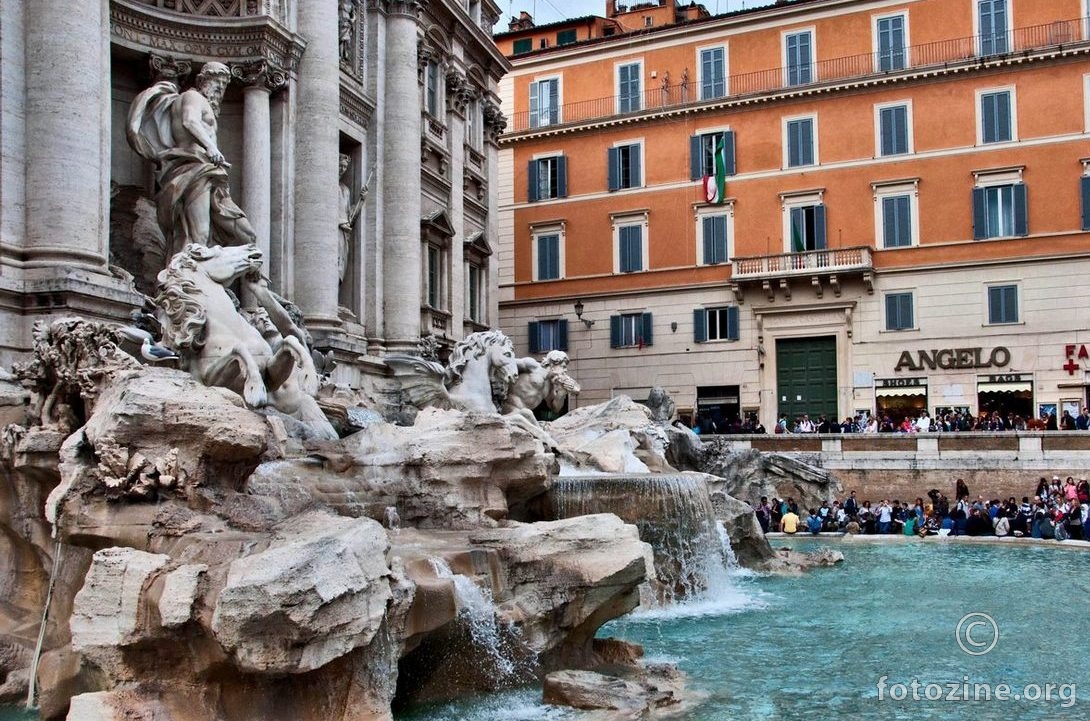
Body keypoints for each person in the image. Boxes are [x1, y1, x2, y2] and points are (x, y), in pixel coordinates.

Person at [127, 62, 256, 254]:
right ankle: (185, 278)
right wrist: (211, 147)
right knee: (198, 236)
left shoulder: (206, 104)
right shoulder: (192, 96)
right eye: (216, 82)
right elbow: (189, 120)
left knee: (246, 236)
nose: (220, 87)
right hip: (192, 167)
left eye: (223, 83)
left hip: (209, 170)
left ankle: (243, 280)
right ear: (202, 80)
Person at [337, 153, 367, 284]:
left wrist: (361, 200)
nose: (342, 169)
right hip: (335, 231)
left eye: (344, 167)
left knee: (340, 263)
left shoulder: (345, 190)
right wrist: (341, 222)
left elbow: (350, 215)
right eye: (340, 166)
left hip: (343, 233)